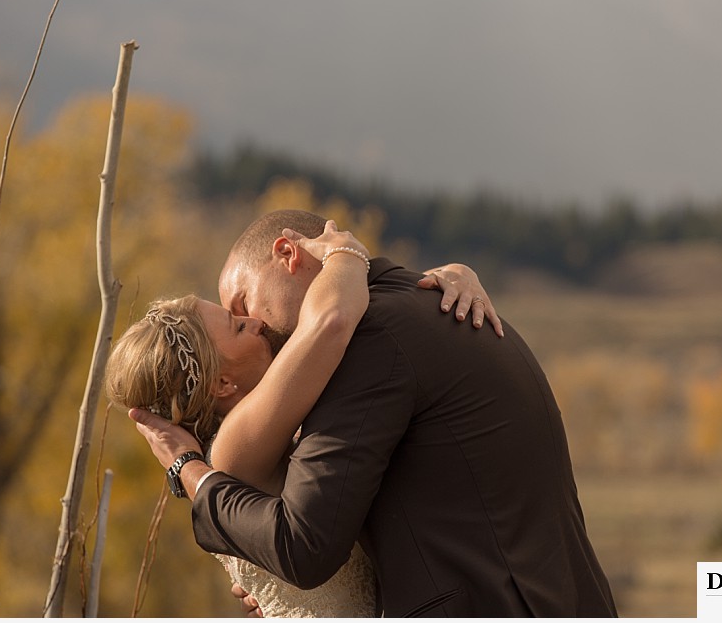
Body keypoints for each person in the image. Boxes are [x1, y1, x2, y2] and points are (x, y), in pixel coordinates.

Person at [132, 209, 618, 617]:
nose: (256, 324)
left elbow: (302, 547)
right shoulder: (433, 305)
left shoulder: (371, 342)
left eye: (243, 304)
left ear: (288, 254)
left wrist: (187, 469)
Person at [106, 220, 500, 616]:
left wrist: (447, 277)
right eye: (239, 325)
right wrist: (345, 253)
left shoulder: (270, 431)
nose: (257, 323)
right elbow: (331, 321)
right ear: (222, 383)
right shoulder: (234, 446)